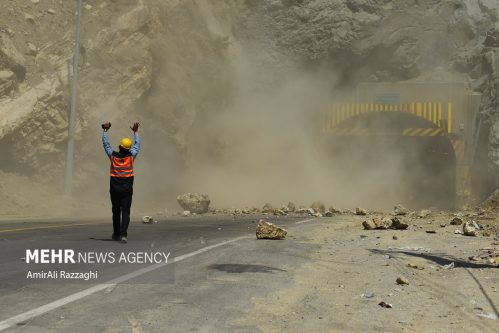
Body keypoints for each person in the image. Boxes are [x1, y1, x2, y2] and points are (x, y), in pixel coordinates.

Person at [101, 122, 140, 243]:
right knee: (125, 211)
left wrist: (105, 131)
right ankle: (123, 235)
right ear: (129, 148)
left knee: (116, 211)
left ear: (119, 146)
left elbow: (106, 145)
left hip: (114, 189)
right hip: (127, 190)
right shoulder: (131, 157)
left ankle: (116, 234)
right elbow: (137, 145)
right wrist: (136, 132)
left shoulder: (113, 156)